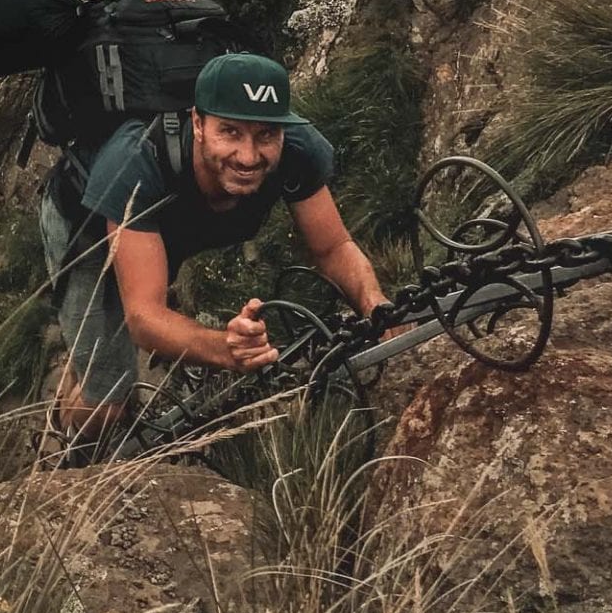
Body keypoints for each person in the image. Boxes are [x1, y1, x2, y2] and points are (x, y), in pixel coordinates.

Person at [40, 50, 390, 447]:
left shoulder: (297, 149)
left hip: (168, 229)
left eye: (265, 135)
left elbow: (333, 248)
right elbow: (143, 316)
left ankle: (84, 357)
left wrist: (377, 308)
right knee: (108, 398)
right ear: (198, 122)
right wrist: (226, 350)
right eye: (231, 132)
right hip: (87, 231)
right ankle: (68, 449)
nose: (248, 156)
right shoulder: (136, 162)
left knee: (112, 343)